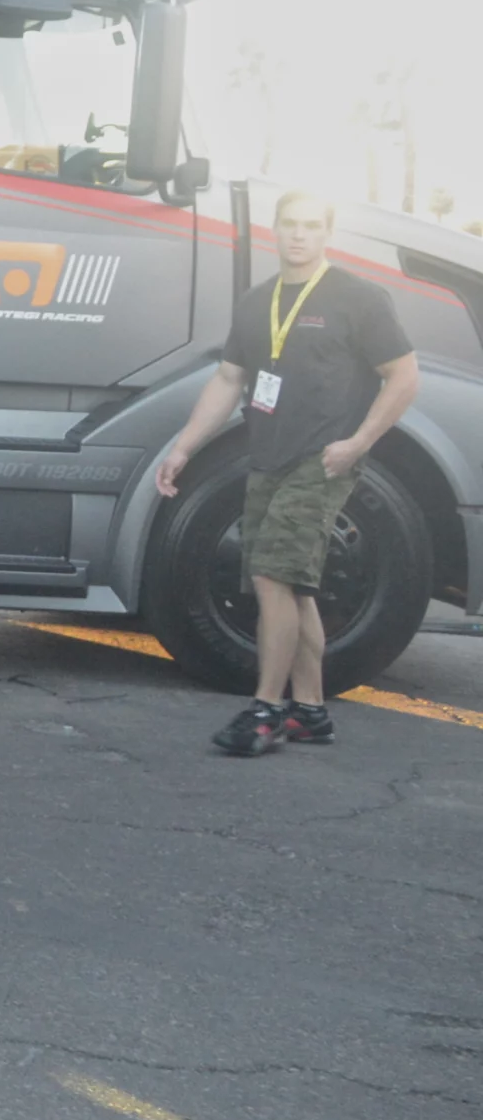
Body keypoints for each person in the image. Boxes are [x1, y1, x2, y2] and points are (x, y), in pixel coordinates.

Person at [156, 191, 419, 755]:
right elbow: (229, 380)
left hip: (322, 461)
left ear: (327, 233)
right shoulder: (257, 302)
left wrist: (359, 442)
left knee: (273, 578)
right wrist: (183, 448)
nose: (299, 235)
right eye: (289, 224)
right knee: (291, 588)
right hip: (267, 457)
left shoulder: (358, 297)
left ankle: (265, 709)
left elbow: (403, 376)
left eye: (310, 226)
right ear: (273, 229)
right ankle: (311, 711)